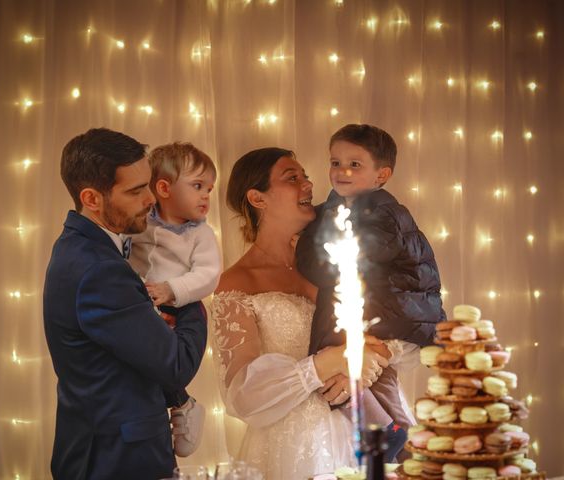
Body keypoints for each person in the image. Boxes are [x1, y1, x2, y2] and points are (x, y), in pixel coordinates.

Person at [211, 147, 388, 479]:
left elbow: (381, 326)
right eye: (292, 177)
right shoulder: (236, 282)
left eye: (305, 176)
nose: (307, 184)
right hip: (288, 450)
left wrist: (367, 361)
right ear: (257, 198)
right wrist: (323, 365)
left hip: (353, 437)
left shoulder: (330, 262)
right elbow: (243, 396)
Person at [43, 128, 207, 479]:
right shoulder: (99, 268)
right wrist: (189, 296)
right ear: (91, 198)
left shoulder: (81, 247)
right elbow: (176, 364)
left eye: (148, 184)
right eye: (135, 191)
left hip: (103, 449)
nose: (151, 199)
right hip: (117, 460)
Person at [295, 124, 446, 458]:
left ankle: (382, 432)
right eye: (335, 162)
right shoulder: (344, 209)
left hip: (396, 309)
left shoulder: (382, 213)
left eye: (355, 164)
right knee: (374, 378)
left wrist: (307, 245)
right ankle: (401, 434)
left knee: (330, 362)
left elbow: (341, 261)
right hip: (391, 307)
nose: (342, 171)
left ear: (382, 175)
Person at [129, 142, 222, 457]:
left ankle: (181, 401)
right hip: (147, 306)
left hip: (186, 309)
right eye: (197, 186)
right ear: (164, 188)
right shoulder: (141, 224)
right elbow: (124, 259)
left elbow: (209, 274)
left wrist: (172, 290)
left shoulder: (200, 235)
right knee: (143, 358)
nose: (206, 195)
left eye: (209, 188)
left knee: (171, 364)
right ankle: (182, 403)